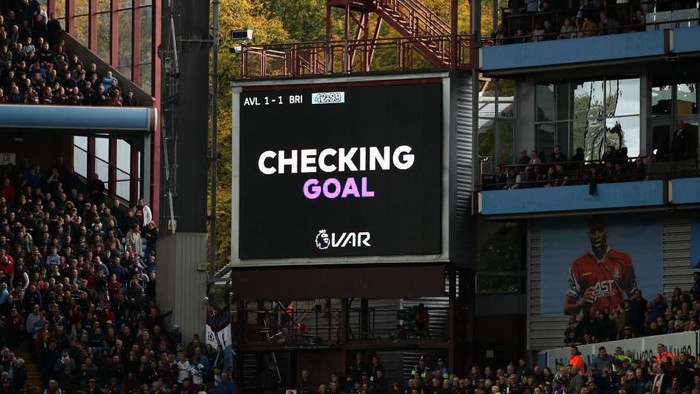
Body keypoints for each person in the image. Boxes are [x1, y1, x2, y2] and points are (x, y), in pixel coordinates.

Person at [564, 216, 638, 315]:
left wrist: (626, 311)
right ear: (588, 235)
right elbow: (567, 309)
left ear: (606, 233)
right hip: (593, 325)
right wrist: (580, 304)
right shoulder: (577, 266)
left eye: (600, 230)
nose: (596, 235)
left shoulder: (623, 259)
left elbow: (634, 296)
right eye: (593, 231)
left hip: (617, 325)